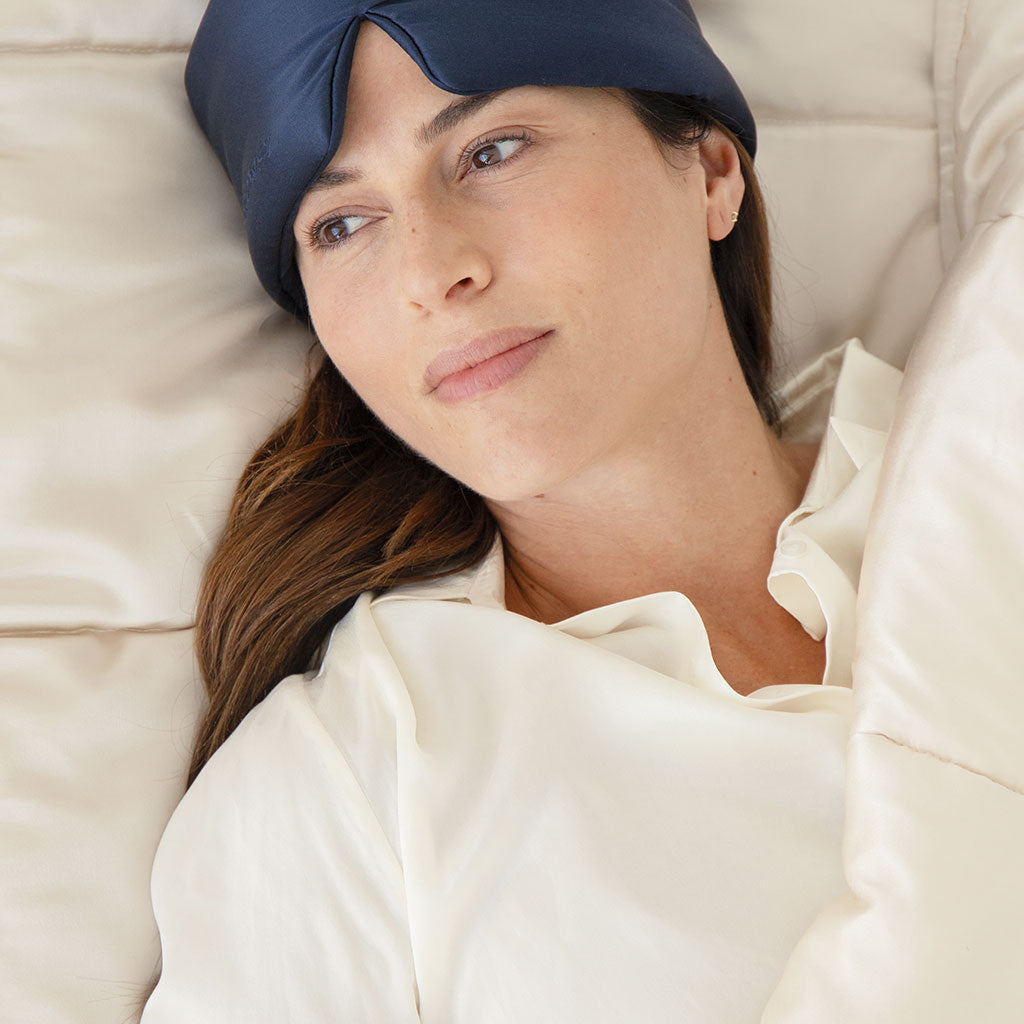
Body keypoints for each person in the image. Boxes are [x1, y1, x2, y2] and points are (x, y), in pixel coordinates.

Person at [142, 1, 903, 1020]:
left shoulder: (977, 457)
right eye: (342, 225)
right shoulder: (347, 781)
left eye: (491, 151)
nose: (430, 274)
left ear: (712, 170)